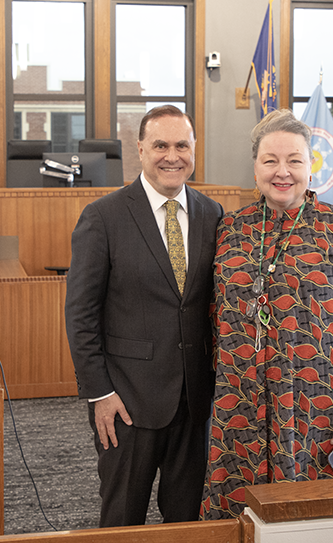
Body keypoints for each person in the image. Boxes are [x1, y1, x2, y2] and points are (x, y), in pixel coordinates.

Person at [200, 109, 333, 520]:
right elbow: (212, 316)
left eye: (294, 160)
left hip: (320, 408)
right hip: (242, 407)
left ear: (311, 166)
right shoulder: (230, 230)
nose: (282, 172)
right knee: (244, 520)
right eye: (270, 160)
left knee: (318, 518)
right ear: (255, 165)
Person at [65, 105, 224, 527]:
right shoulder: (103, 217)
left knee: (188, 519)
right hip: (127, 403)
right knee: (122, 520)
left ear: (194, 150)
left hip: (194, 402)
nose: (172, 155)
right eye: (160, 145)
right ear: (140, 150)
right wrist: (99, 393)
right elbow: (80, 314)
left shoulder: (214, 216)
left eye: (181, 145)